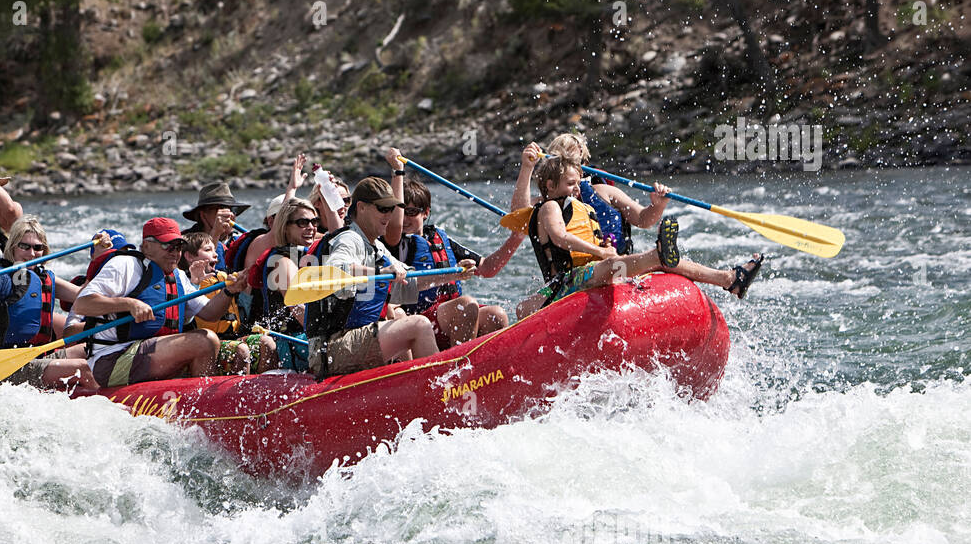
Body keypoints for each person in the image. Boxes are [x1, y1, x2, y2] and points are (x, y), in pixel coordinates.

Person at [511, 139, 764, 317]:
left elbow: (644, 219)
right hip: (579, 277)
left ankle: (729, 279)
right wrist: (526, 168)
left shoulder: (602, 193)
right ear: (551, 180)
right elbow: (526, 220)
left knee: (642, 261)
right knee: (624, 263)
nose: (575, 187)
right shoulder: (547, 206)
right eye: (568, 178)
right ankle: (659, 254)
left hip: (611, 267)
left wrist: (659, 204)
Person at [305, 177, 469, 377]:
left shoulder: (377, 247)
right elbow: (335, 269)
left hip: (357, 338)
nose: (389, 215)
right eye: (383, 209)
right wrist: (380, 272)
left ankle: (416, 389)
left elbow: (411, 281)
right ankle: (441, 390)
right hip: (330, 348)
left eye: (391, 209)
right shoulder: (349, 239)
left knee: (402, 321)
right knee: (419, 325)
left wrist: (454, 273)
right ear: (362, 207)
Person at [69, 217, 252, 387]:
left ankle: (218, 400)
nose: (175, 253)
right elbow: (82, 304)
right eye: (168, 246)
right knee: (205, 340)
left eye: (179, 247)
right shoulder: (126, 265)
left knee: (239, 352)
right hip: (111, 360)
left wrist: (229, 291)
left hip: (151, 353)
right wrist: (129, 304)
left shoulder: (178, 275)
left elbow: (210, 313)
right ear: (146, 246)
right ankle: (203, 403)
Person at [380, 147, 524, 347]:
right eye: (402, 212)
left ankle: (487, 369)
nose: (405, 219)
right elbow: (395, 224)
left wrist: (516, 238)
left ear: (425, 212)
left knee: (496, 315)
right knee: (466, 304)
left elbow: (488, 268)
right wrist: (398, 172)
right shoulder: (396, 243)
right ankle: (458, 368)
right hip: (418, 318)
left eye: (412, 212)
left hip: (447, 316)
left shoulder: (439, 238)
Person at [0, 215, 96, 391]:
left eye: (38, 247)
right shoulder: (1, 276)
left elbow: (85, 296)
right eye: (25, 246)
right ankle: (107, 402)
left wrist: (98, 258)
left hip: (38, 356)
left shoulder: (46, 278)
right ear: (13, 247)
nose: (32, 253)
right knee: (83, 367)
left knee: (92, 348)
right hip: (7, 366)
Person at [181, 231, 277, 375]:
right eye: (208, 250)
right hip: (208, 345)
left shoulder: (223, 277)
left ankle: (264, 389)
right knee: (240, 350)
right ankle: (236, 395)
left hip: (233, 336)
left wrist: (244, 278)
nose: (216, 254)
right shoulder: (187, 282)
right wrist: (196, 283)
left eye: (215, 250)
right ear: (189, 256)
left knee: (267, 343)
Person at [244, 197, 321, 370]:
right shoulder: (282, 262)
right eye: (303, 222)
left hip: (303, 337)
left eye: (314, 221)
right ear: (285, 227)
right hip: (290, 342)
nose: (311, 227)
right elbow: (299, 309)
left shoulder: (305, 255)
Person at [236, 151, 309, 275]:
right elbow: (281, 225)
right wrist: (292, 188)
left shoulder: (298, 237)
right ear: (271, 221)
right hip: (253, 294)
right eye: (300, 222)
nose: (306, 226)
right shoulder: (262, 241)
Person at [182, 182, 249, 270]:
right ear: (203, 215)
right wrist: (216, 233)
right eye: (221, 208)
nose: (228, 213)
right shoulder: (185, 242)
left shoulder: (240, 241)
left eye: (232, 208)